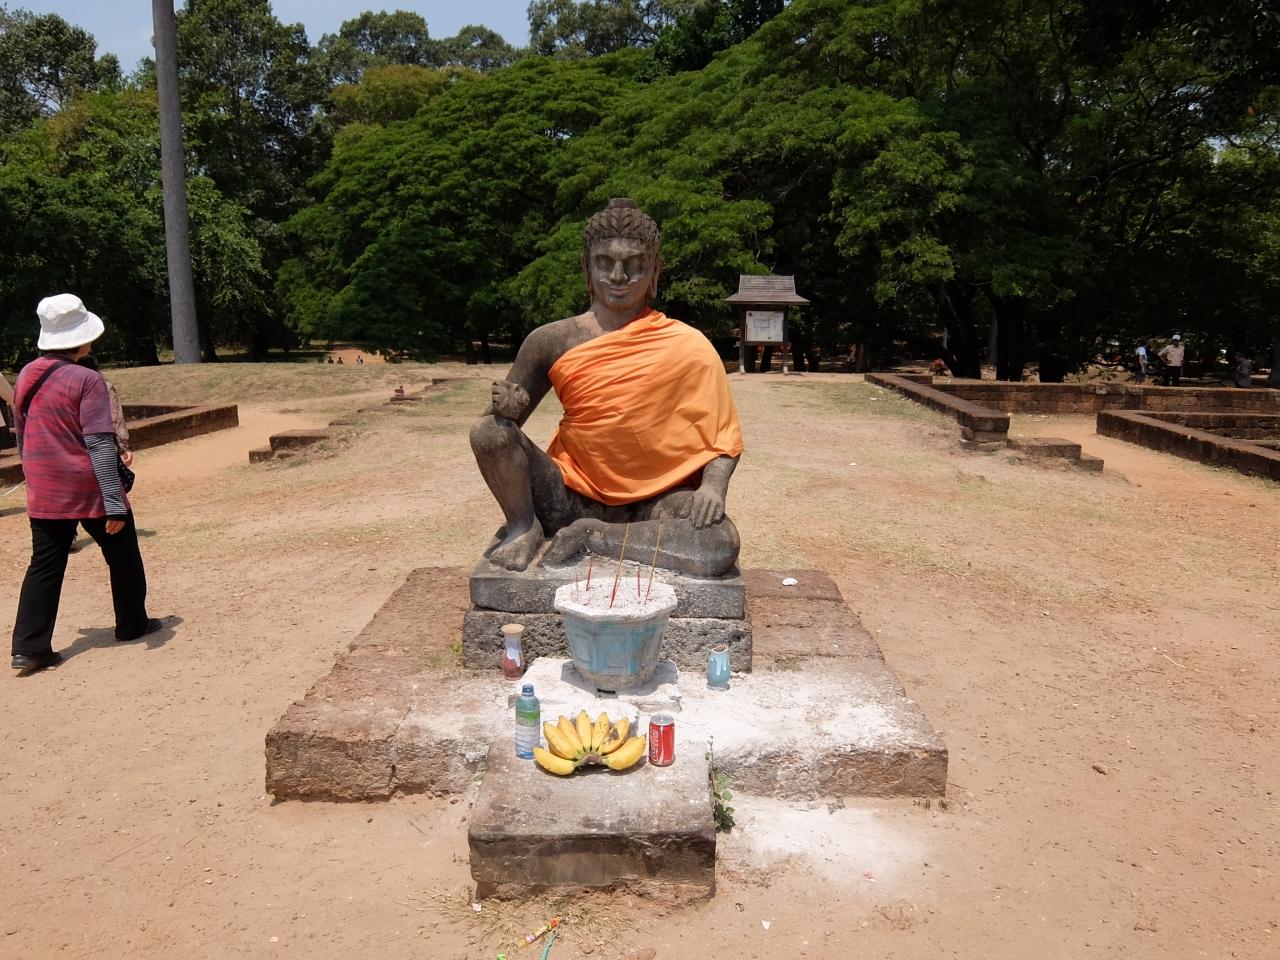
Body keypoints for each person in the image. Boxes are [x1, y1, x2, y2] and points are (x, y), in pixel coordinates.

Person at [470, 198, 743, 577]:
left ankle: (595, 537)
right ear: (587, 267)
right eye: (604, 262)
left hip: (658, 499)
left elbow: (722, 436)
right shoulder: (550, 340)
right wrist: (507, 409)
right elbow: (499, 432)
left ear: (655, 270)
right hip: (569, 492)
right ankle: (523, 526)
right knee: (489, 432)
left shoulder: (687, 344)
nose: (618, 276)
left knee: (718, 542)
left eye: (634, 264)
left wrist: (713, 488)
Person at [9, 294, 162, 673]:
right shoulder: (88, 380)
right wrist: (115, 502)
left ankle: (29, 647)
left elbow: (23, 434)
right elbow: (98, 443)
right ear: (82, 338)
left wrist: (33, 476)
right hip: (88, 487)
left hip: (45, 489)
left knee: (45, 564)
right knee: (123, 555)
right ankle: (132, 623)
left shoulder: (26, 375)